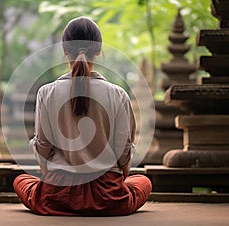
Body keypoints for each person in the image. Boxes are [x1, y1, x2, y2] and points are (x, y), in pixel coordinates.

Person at [13, 16, 152, 216]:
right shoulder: (118, 94)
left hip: (58, 194)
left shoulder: (46, 92)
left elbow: (43, 147)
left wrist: (48, 173)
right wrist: (121, 179)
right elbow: (123, 150)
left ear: (64, 51)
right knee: (143, 182)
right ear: (98, 50)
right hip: (108, 196)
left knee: (21, 181)